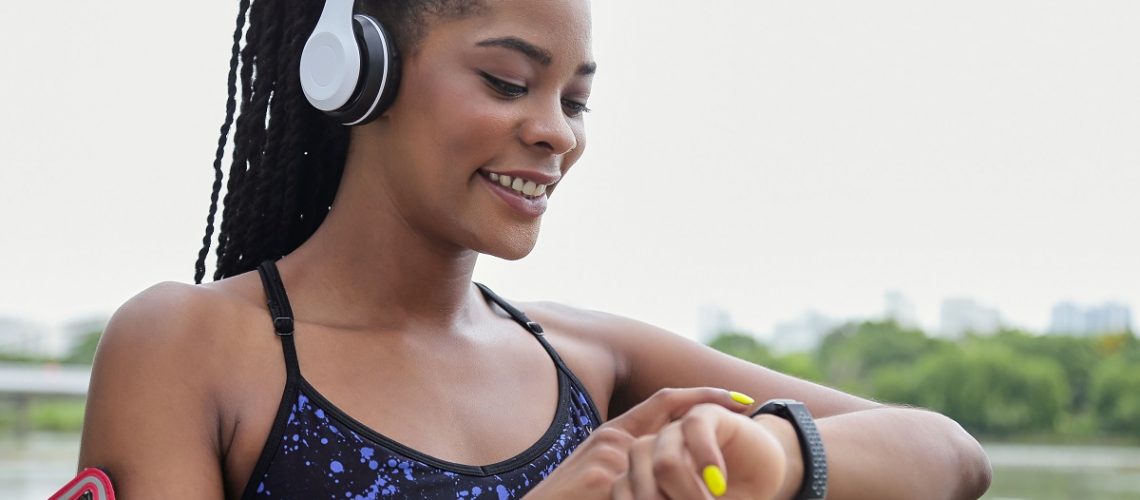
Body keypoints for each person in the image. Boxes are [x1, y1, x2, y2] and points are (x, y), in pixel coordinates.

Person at [77, 0, 992, 498]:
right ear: (357, 72)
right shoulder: (191, 345)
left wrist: (773, 460)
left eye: (576, 100)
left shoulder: (588, 359)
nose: (557, 133)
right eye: (509, 81)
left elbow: (950, 457)